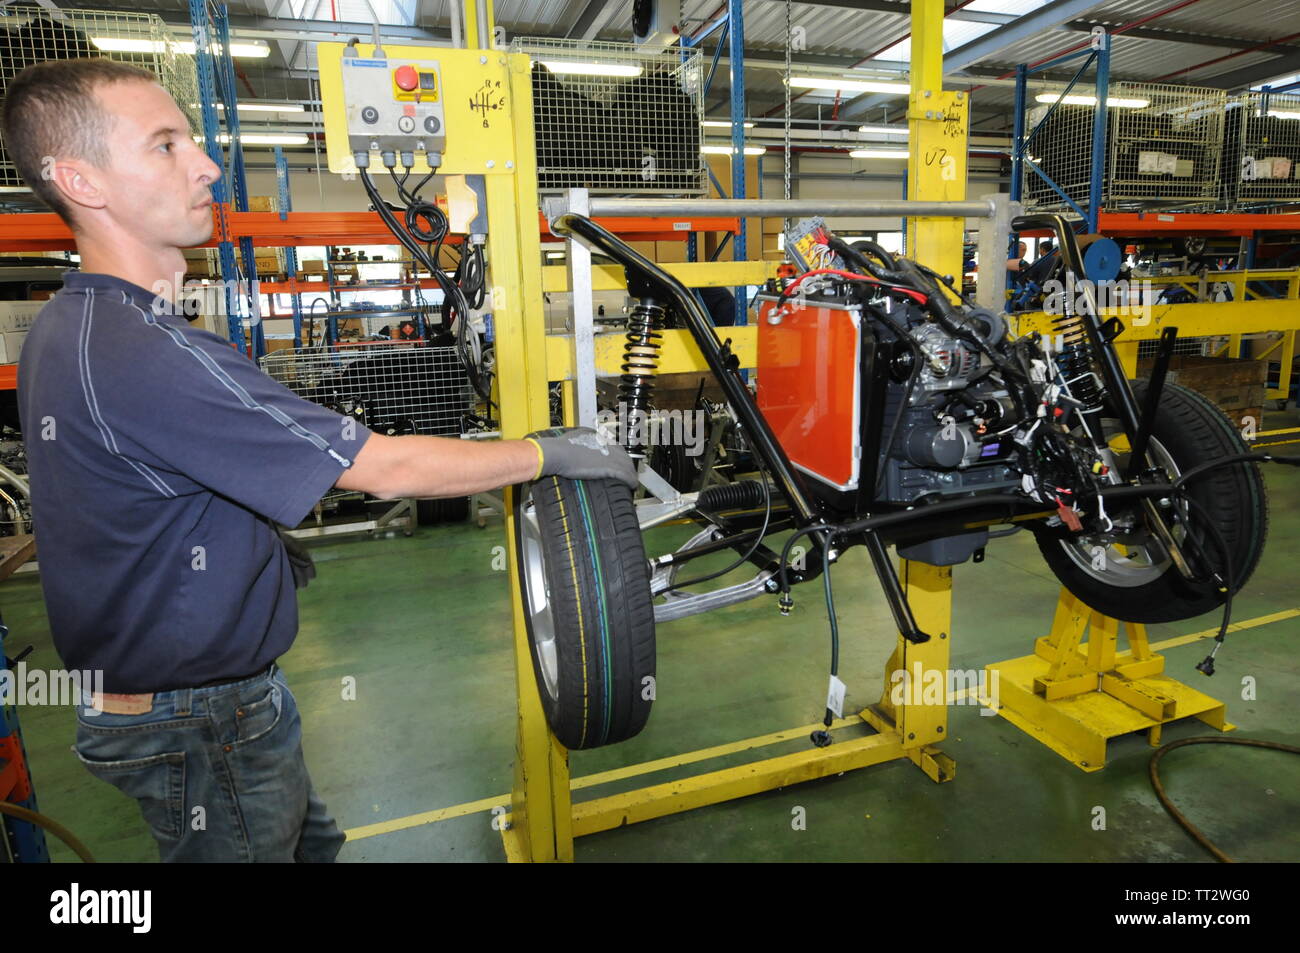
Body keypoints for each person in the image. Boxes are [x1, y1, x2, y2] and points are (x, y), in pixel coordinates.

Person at [1, 58, 635, 862]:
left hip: (180, 705)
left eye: (192, 139)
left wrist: (245, 548)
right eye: (164, 145)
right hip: (202, 718)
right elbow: (383, 468)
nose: (205, 165)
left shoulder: (72, 321)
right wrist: (549, 452)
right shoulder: (142, 350)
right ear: (78, 180)